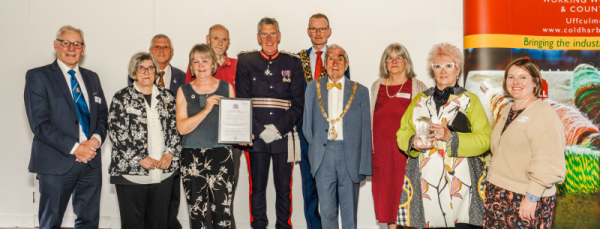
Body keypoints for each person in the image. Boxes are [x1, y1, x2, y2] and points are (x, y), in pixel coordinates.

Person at [396, 42, 491, 229]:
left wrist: (450, 137)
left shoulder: (470, 101)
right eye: (437, 66)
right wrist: (412, 141)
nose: (443, 71)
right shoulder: (420, 99)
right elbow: (403, 131)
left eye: (449, 66)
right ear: (433, 71)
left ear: (458, 69)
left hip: (462, 184)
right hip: (426, 182)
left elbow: (484, 139)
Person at [24, 25, 108, 228]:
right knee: (51, 222)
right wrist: (77, 148)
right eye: (66, 43)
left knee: (89, 221)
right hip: (56, 163)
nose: (71, 48)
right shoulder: (38, 76)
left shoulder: (92, 77)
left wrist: (94, 141)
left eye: (77, 44)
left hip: (90, 163)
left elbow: (103, 115)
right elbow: (40, 124)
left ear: (83, 48)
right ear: (56, 45)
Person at [235, 17, 304, 229]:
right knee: (257, 189)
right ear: (258, 37)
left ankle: (284, 226)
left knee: (284, 189)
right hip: (255, 138)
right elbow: (243, 100)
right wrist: (259, 130)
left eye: (272, 33)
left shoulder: (293, 63)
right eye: (264, 34)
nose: (269, 38)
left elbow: (298, 104)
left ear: (279, 36)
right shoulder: (246, 62)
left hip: (284, 137)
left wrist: (277, 129)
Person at [484, 58, 566, 229]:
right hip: (499, 194)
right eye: (511, 77)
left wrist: (531, 197)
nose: (516, 82)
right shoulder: (508, 109)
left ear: (535, 82)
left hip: (525, 198)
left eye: (523, 77)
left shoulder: (544, 114)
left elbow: (549, 163)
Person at [107, 52, 182, 228]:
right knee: (133, 224)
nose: (146, 72)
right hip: (131, 175)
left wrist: (169, 154)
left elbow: (176, 129)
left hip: (164, 173)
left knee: (161, 224)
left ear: (156, 72)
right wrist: (139, 158)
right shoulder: (121, 97)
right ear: (134, 71)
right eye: (141, 68)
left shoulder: (168, 96)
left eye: (150, 68)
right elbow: (117, 133)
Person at [303, 44, 372, 229]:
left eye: (339, 58)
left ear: (346, 64)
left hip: (350, 157)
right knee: (327, 212)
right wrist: (316, 149)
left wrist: (364, 165)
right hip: (323, 157)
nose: (335, 62)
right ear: (325, 64)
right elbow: (306, 127)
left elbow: (366, 132)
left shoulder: (361, 91)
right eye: (330, 58)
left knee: (349, 213)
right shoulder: (312, 88)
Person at [184, 25, 241, 229]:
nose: (201, 65)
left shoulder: (232, 78)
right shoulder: (185, 87)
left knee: (223, 208)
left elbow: (236, 116)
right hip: (192, 153)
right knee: (197, 211)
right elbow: (182, 125)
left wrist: (242, 132)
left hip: (224, 150)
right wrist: (206, 109)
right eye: (196, 62)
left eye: (205, 61)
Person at [297, 14, 350, 229]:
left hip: (336, 137)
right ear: (308, 31)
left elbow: (349, 97)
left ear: (329, 31)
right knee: (309, 186)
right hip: (308, 134)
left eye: (322, 29)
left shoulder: (339, 57)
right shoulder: (298, 59)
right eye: (313, 29)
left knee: (337, 188)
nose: (318, 33)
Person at [370, 43, 427, 229]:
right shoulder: (376, 86)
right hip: (382, 154)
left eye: (398, 57)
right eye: (390, 58)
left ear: (406, 61)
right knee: (387, 201)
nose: (394, 61)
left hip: (406, 154)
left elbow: (424, 121)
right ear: (385, 63)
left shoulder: (418, 86)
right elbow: (371, 118)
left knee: (409, 200)